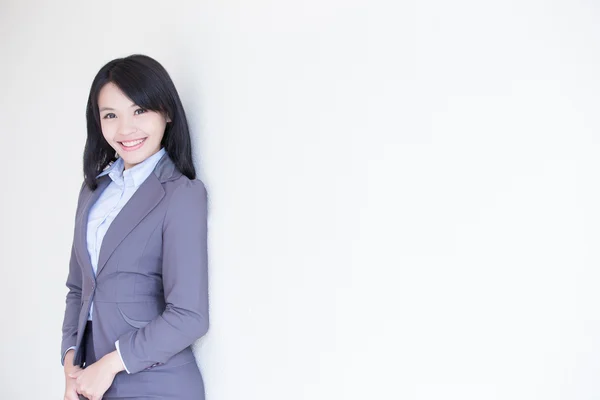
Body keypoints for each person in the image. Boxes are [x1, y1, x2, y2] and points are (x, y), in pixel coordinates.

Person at [60, 54, 209, 400]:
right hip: (90, 382)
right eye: (111, 115)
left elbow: (189, 315)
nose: (125, 129)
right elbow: (77, 288)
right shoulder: (94, 191)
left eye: (140, 110)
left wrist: (110, 364)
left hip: (155, 383)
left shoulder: (181, 195)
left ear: (167, 112)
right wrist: (71, 363)